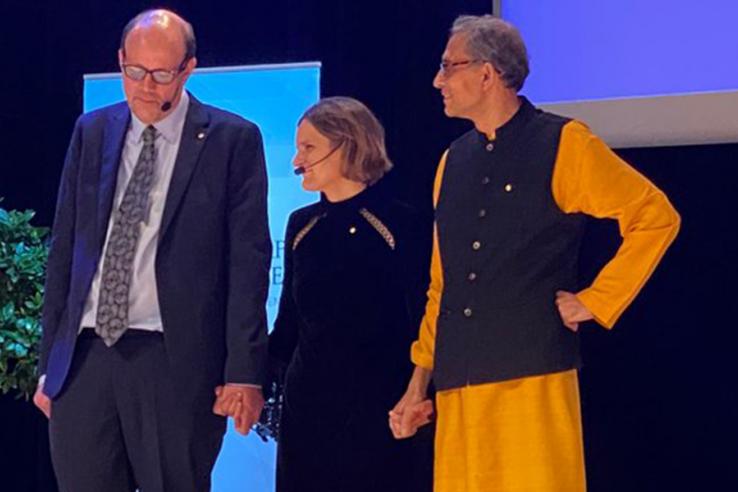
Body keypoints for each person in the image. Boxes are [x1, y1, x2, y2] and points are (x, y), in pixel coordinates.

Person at [389, 14, 681, 492]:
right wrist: (417, 383)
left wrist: (597, 299)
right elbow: (443, 282)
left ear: (487, 74)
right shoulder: (451, 162)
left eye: (448, 66)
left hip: (532, 379)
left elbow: (653, 215)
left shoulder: (564, 143)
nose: (437, 80)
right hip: (459, 385)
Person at [32, 9, 271, 492]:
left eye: (161, 74)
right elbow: (66, 252)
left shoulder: (232, 140)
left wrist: (244, 372)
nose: (145, 86)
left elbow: (248, 264)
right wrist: (48, 365)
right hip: (85, 356)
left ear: (188, 69)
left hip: (174, 359)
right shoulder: (92, 131)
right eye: (134, 71)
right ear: (121, 61)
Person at [267, 97, 432, 492]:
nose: (296, 161)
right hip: (306, 415)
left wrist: (419, 392)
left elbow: (424, 319)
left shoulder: (402, 224)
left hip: (380, 414)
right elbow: (288, 326)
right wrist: (244, 379)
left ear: (347, 144)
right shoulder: (301, 226)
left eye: (308, 147)